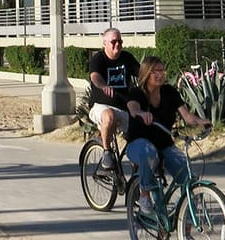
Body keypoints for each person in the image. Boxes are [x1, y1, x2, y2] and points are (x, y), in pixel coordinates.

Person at [122, 56, 211, 222]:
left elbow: (187, 117)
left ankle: (187, 228)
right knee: (148, 153)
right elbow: (133, 108)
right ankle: (145, 196)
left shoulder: (170, 91)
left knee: (188, 176)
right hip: (138, 144)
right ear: (146, 74)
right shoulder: (136, 92)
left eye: (162, 70)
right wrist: (141, 113)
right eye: (155, 71)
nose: (160, 74)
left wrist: (201, 122)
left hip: (164, 144)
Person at [87, 26, 141, 152]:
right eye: (113, 42)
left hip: (124, 107)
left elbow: (142, 73)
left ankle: (139, 166)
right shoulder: (98, 59)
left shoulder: (127, 57)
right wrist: (104, 86)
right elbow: (95, 76)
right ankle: (107, 152)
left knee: (142, 132)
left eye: (120, 42)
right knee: (109, 116)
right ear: (105, 44)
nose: (117, 44)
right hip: (101, 106)